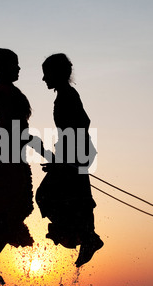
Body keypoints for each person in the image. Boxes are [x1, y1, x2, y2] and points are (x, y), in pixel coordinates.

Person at [0, 48, 49, 284]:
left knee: (13, 205)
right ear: (4, 67)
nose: (19, 69)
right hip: (7, 152)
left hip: (9, 151)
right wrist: (43, 150)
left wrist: (38, 148)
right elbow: (14, 127)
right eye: (15, 65)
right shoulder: (5, 91)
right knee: (14, 205)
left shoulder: (7, 90)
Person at [36, 53, 104, 268]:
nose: (44, 79)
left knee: (47, 196)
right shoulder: (66, 94)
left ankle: (86, 237)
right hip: (72, 156)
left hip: (73, 157)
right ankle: (86, 237)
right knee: (73, 199)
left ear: (56, 73)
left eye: (46, 74)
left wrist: (64, 162)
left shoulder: (67, 95)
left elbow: (80, 124)